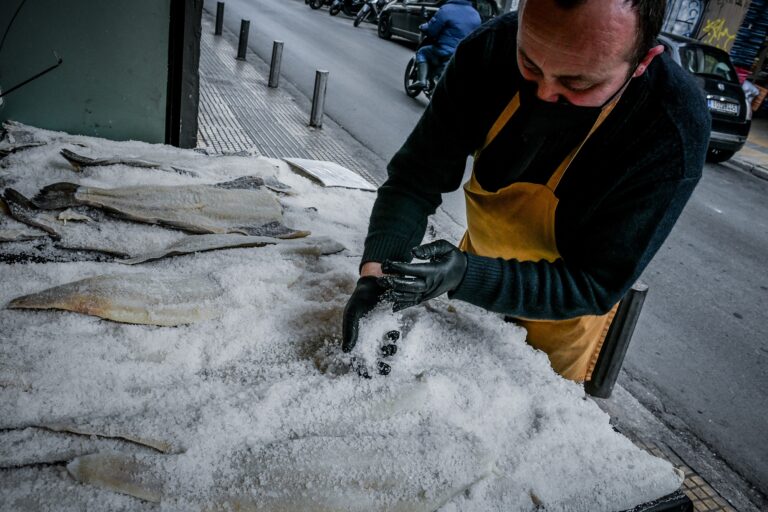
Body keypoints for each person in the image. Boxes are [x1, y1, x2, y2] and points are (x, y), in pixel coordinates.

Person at [342, 0, 710, 382]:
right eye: (529, 65)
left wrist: (466, 275)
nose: (544, 94)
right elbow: (415, 180)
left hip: (559, 317)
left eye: (577, 83)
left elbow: (596, 283)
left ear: (642, 62)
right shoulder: (488, 50)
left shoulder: (671, 126)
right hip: (468, 285)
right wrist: (377, 275)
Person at [411, 0, 481, 92]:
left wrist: (423, 27)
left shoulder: (447, 9)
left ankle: (421, 80)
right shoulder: (476, 15)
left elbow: (432, 30)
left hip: (443, 50)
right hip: (461, 54)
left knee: (422, 52)